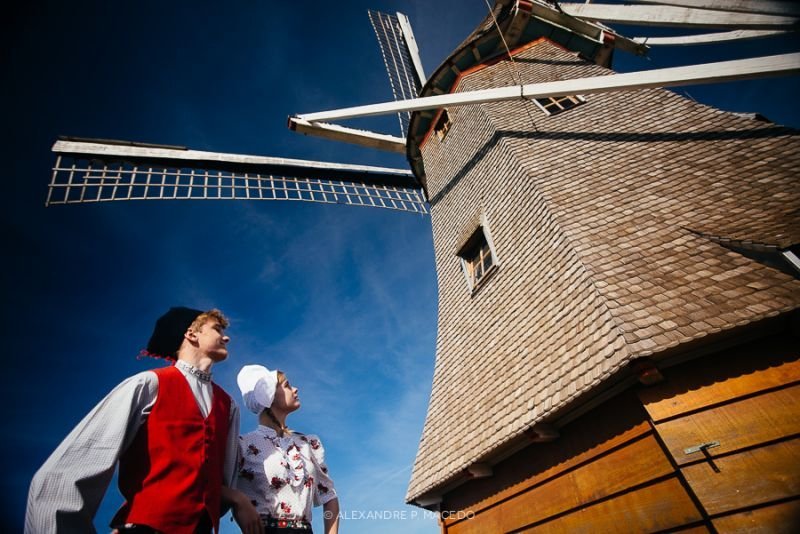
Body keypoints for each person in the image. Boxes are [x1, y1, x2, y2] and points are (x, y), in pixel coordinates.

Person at [25, 307, 262, 534]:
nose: (226, 337)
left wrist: (236, 496)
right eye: (217, 329)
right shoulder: (148, 384)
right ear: (191, 334)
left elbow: (215, 484)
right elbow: (66, 472)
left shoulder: (228, 406)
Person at [236, 364, 340, 534]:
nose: (296, 389)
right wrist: (238, 500)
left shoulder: (308, 444)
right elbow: (216, 488)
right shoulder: (243, 445)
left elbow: (329, 495)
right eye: (287, 386)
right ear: (268, 396)